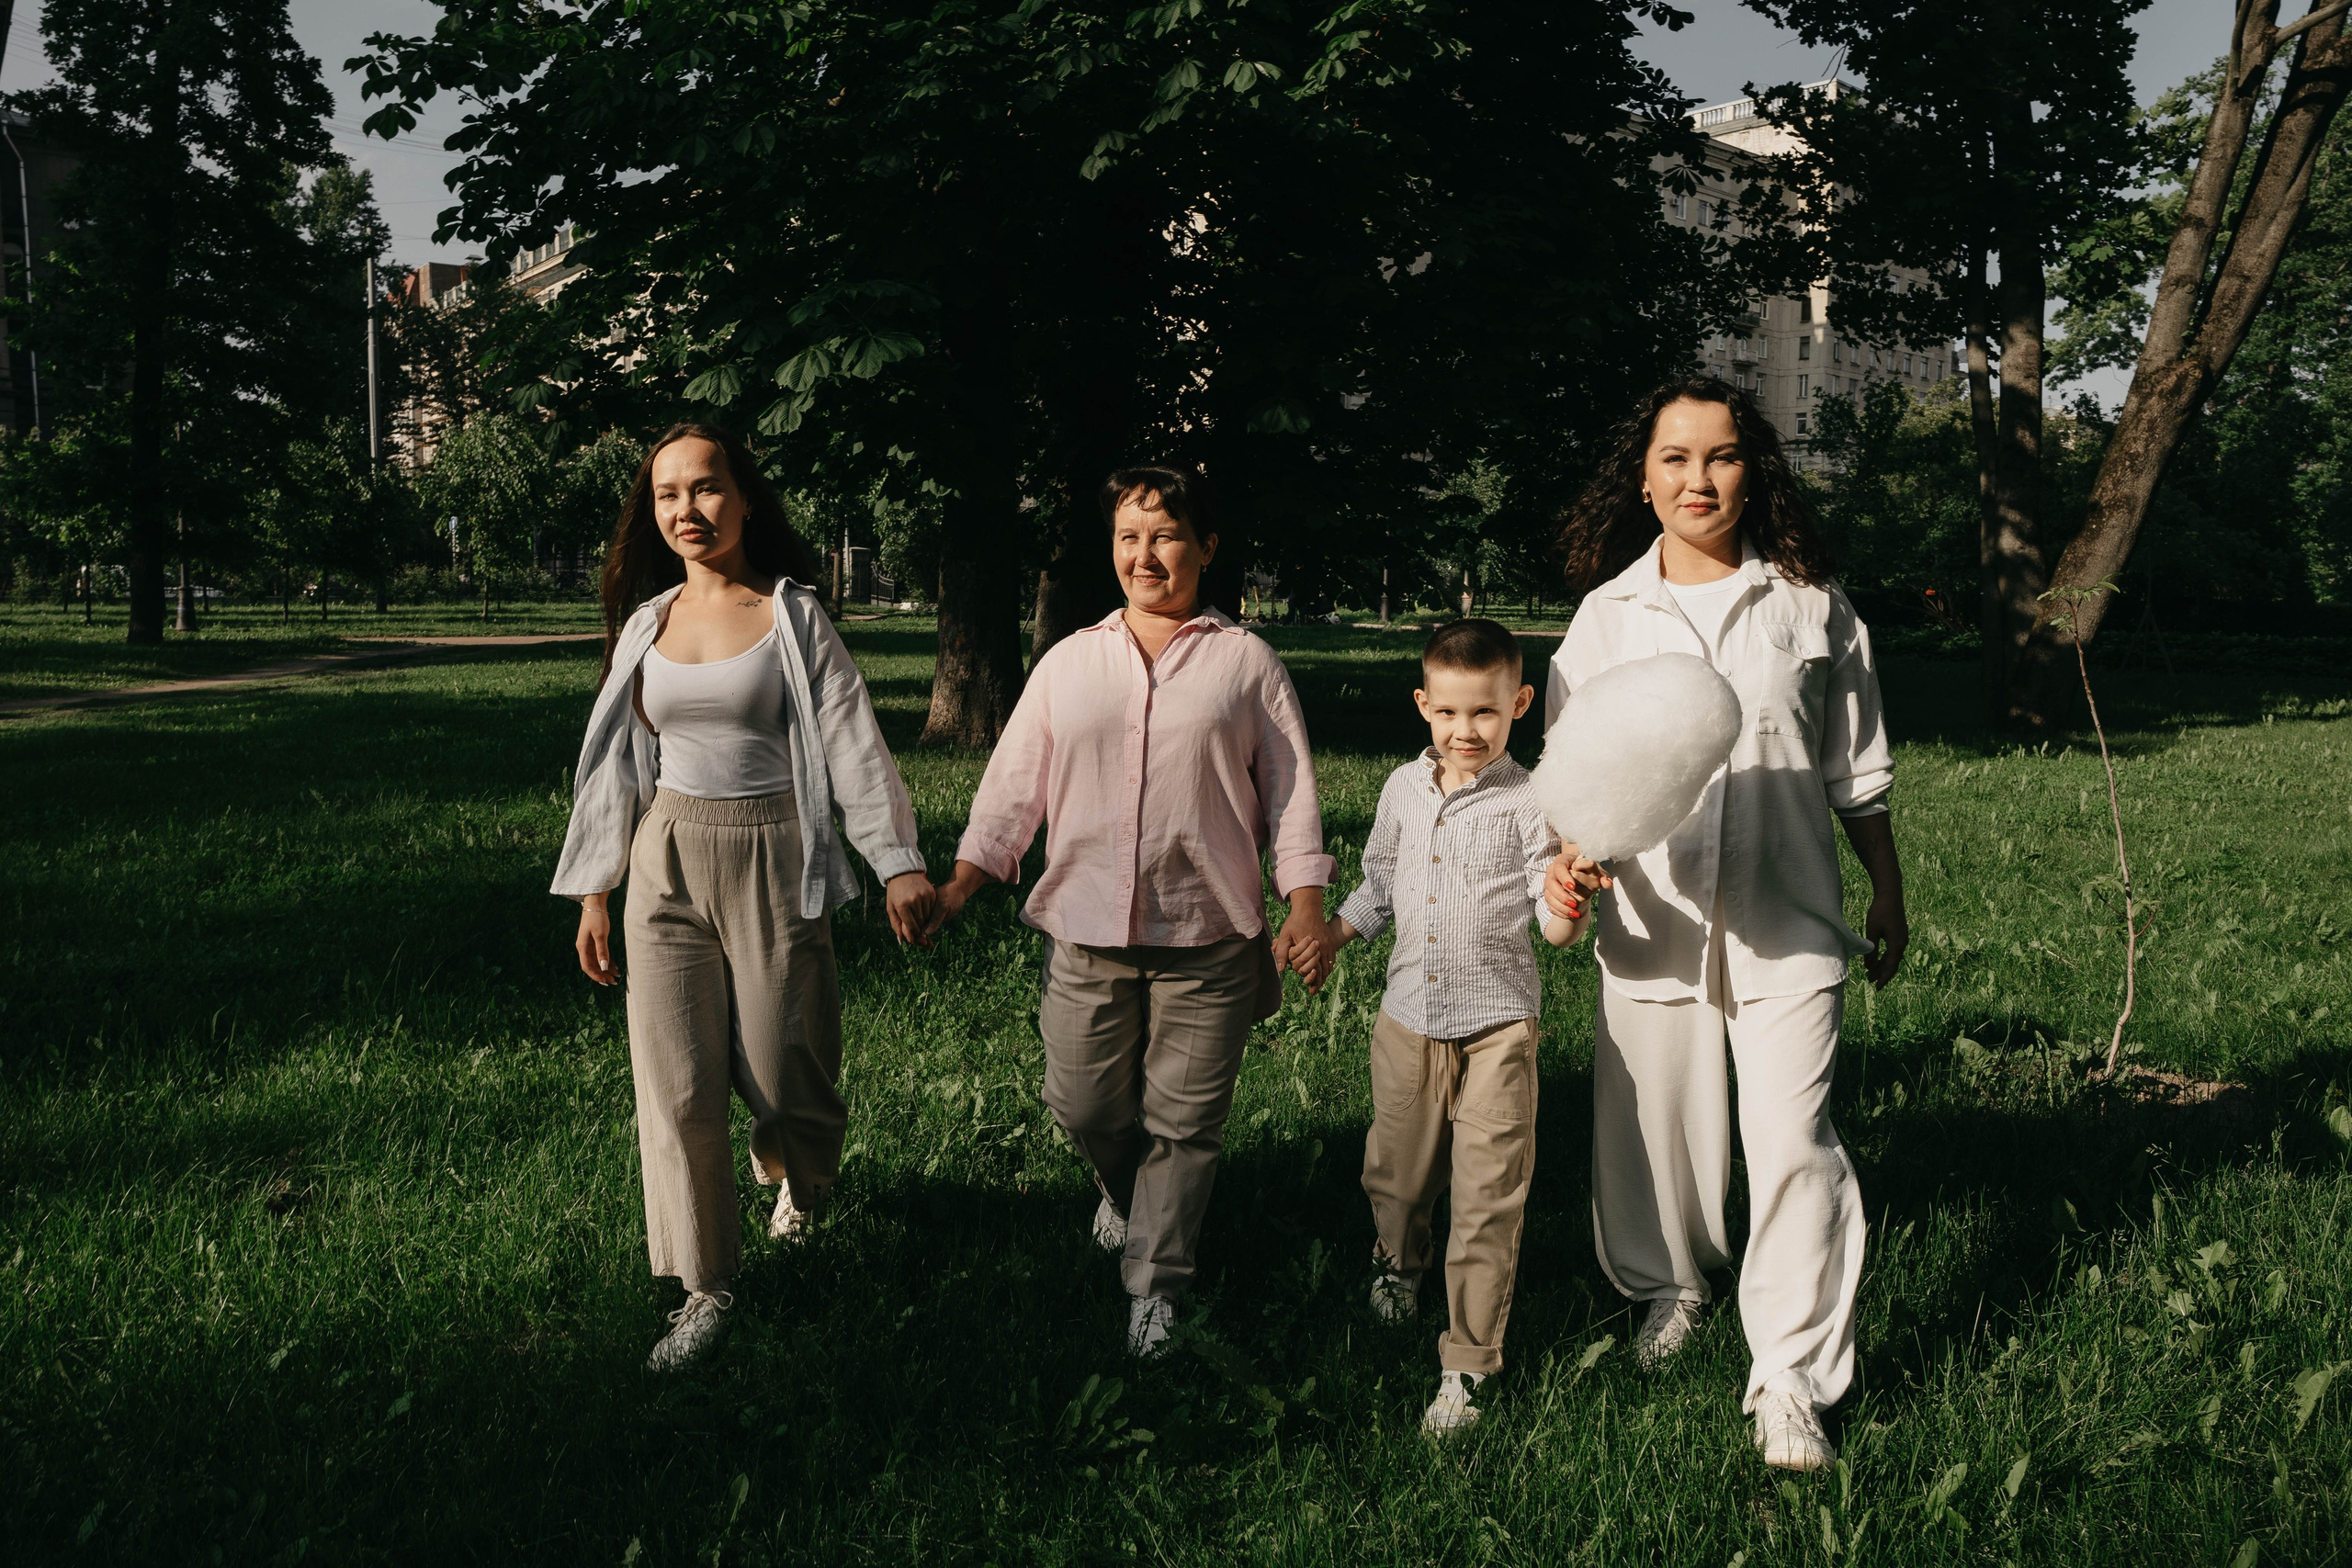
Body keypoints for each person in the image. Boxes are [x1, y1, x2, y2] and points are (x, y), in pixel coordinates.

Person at [1541, 379, 1905, 1472]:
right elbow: (1569, 786)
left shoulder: (1812, 607)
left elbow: (1857, 768)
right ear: (1641, 477)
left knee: (1793, 1144)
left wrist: (1886, 888)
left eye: (1723, 456)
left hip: (1789, 917)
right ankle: (1670, 1291)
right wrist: (1564, 867)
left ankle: (1788, 1378)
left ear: (1755, 471)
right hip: (1651, 921)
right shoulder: (1605, 618)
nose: (1699, 479)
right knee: (1659, 1137)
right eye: (1676, 458)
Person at [551, 422, 936, 1373]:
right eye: (668, 494)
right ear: (652, 510)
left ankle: (795, 1180)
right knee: (676, 1088)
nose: (687, 509)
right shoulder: (647, 623)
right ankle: (705, 1287)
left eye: (706, 488)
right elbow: (614, 768)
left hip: (775, 853)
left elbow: (852, 739)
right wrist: (596, 892)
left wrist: (897, 862)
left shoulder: (792, 614)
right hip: (665, 863)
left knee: (791, 1069)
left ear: (744, 498)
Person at [929, 462, 1335, 1357]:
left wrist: (1303, 906)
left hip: (1210, 938)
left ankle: (1156, 1288)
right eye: (1127, 537)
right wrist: (962, 881)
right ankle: (1124, 1192)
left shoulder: (1244, 663)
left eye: (1163, 535)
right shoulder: (1070, 663)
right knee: (1082, 1104)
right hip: (1084, 933)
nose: (1144, 555)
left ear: (1205, 546)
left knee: (1185, 1127)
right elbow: (1009, 793)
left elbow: (1294, 794)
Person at [1326, 618, 1599, 1435]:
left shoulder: (1533, 801)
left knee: (1488, 1197)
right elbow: (1376, 885)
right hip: (1407, 1019)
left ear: (1518, 703)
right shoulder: (1402, 791)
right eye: (1447, 713)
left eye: (1484, 713)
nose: (1465, 731)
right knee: (1397, 1175)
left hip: (1499, 1032)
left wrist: (1567, 901)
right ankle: (1397, 1261)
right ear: (1423, 704)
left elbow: (1550, 924)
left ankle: (1468, 1361)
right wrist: (1328, 937)